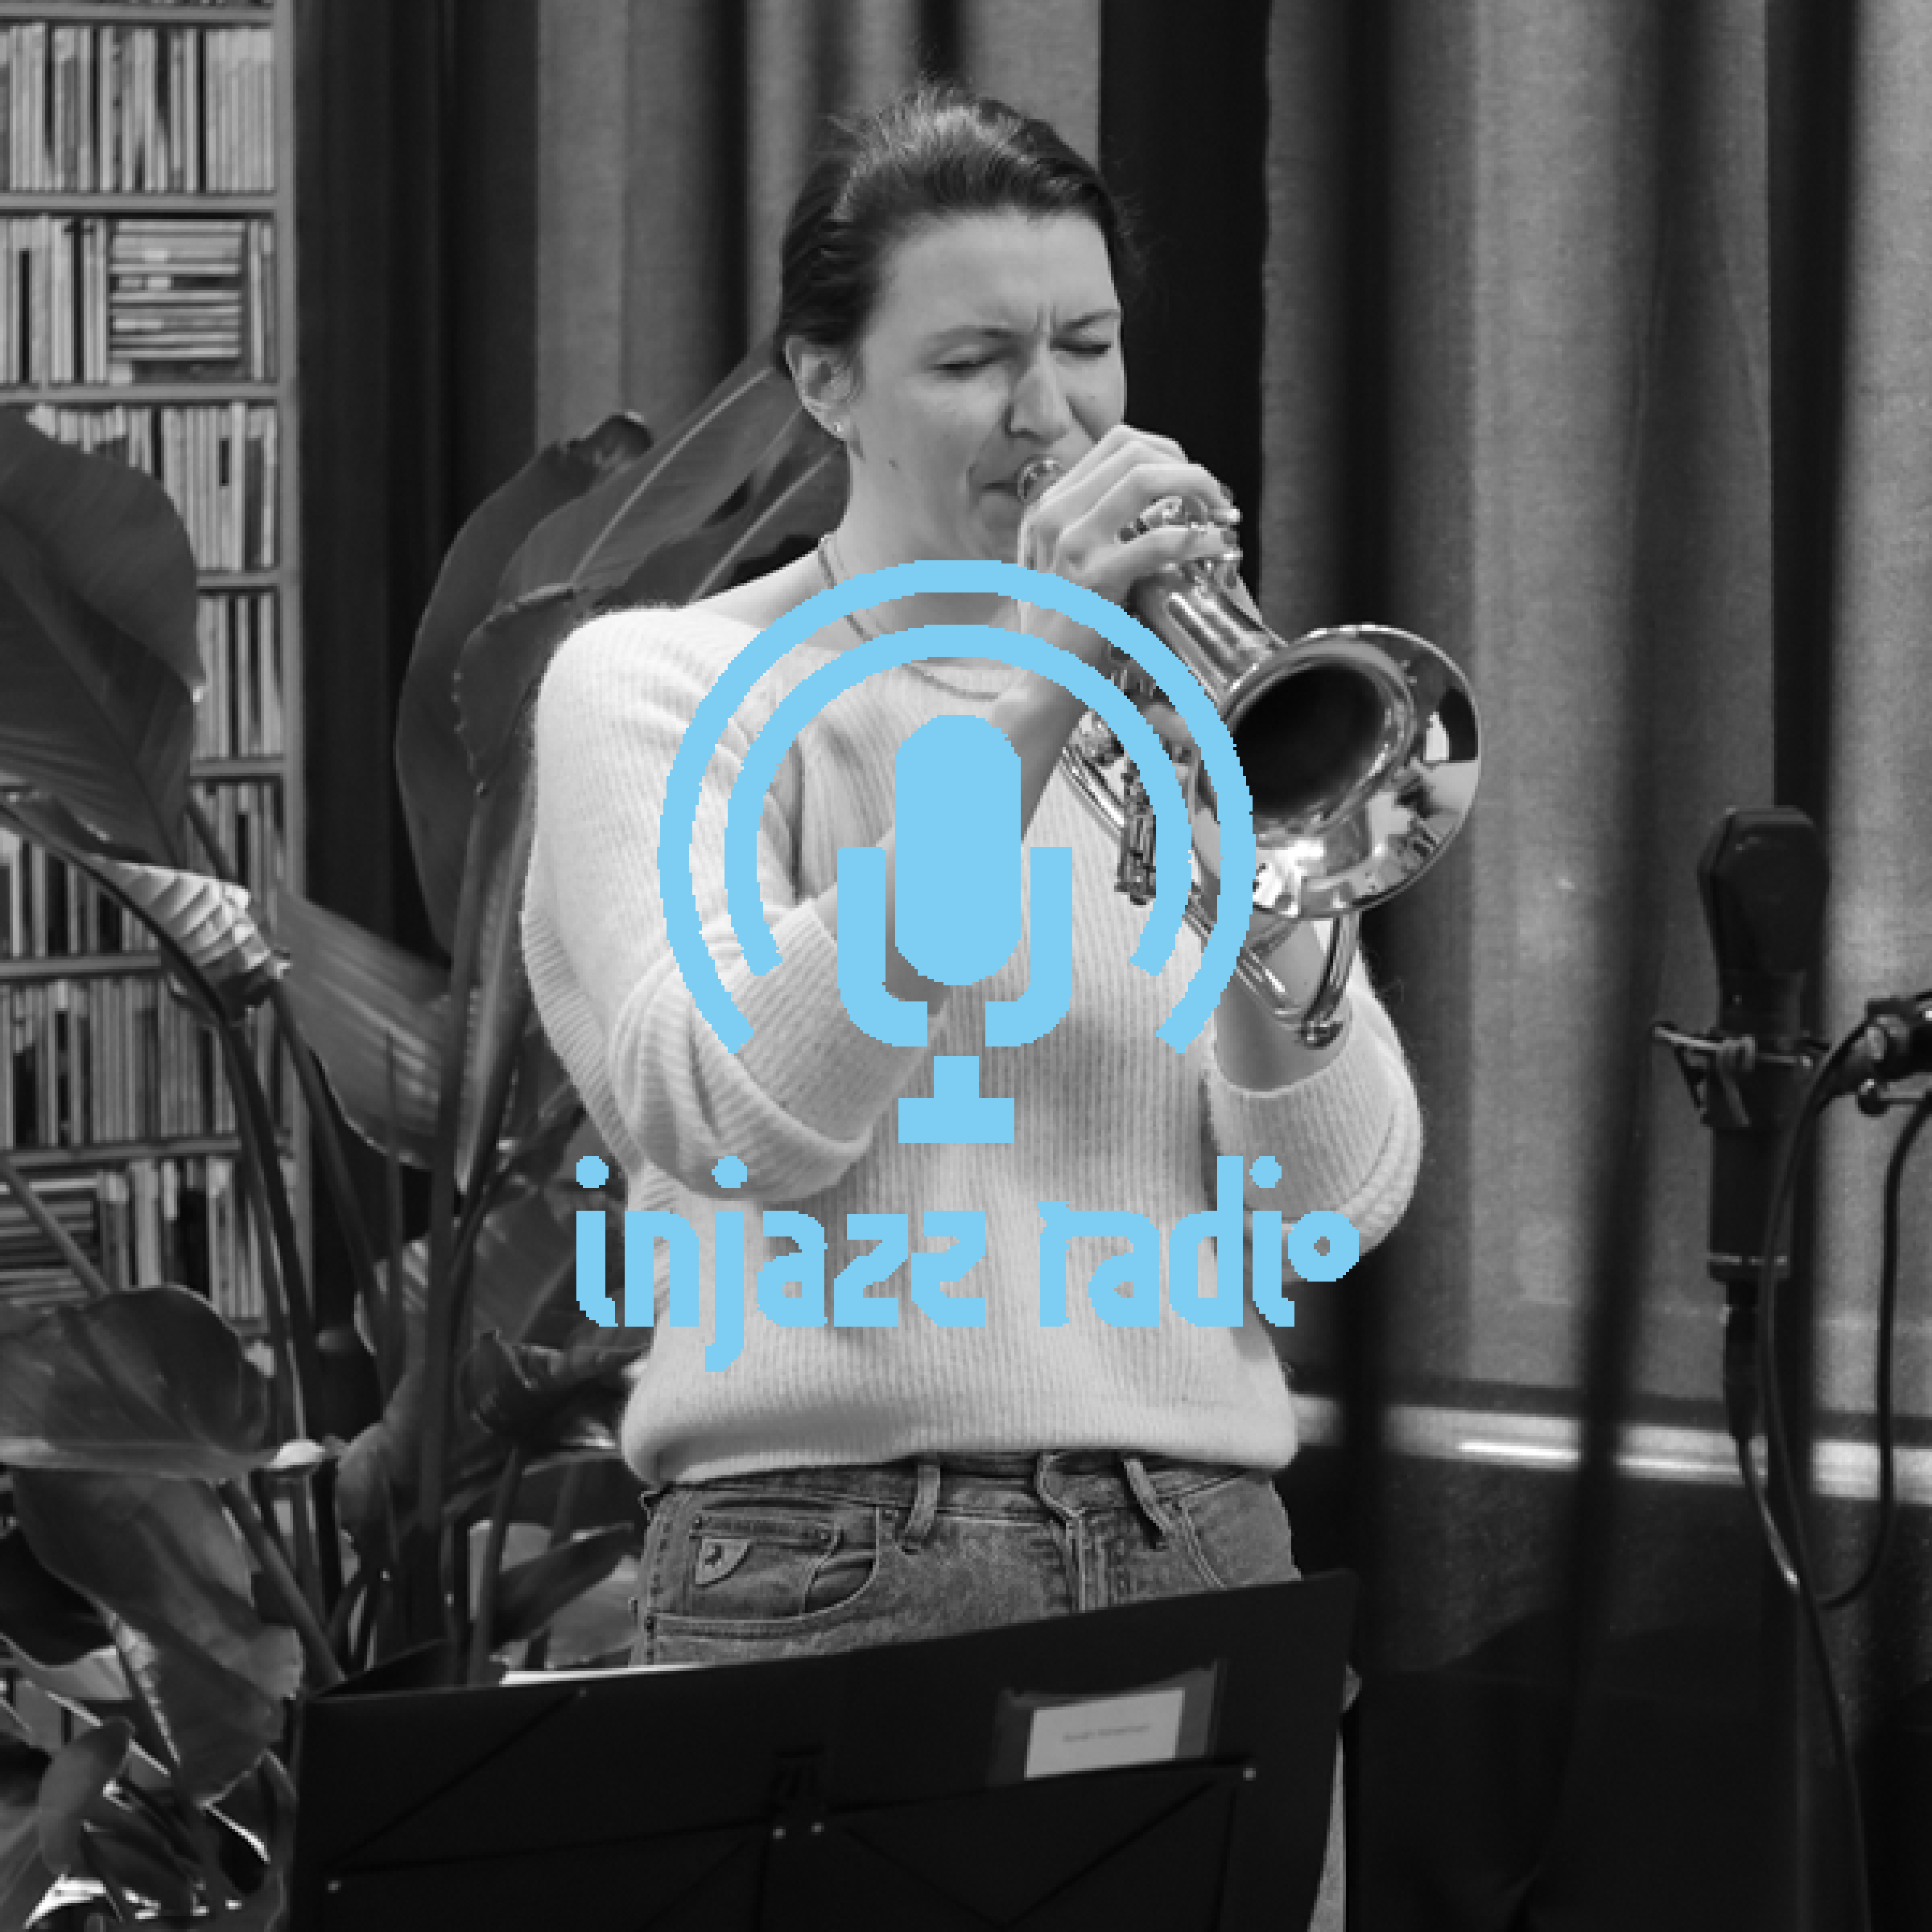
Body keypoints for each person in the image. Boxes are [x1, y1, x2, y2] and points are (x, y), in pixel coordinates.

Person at [523, 80, 1421, 1927]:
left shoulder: (1170, 717)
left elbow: (1331, 1208)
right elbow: (733, 1116)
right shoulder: (662, 685)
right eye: (973, 361)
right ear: (824, 383)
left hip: (1204, 1551)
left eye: (1086, 345)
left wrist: (1257, 868)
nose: (1053, 415)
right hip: (837, 1560)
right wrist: (1030, 698)